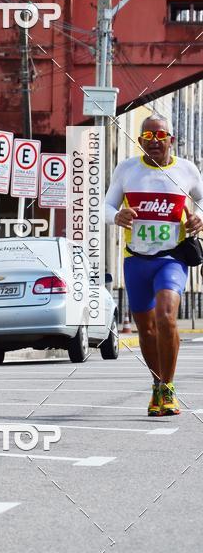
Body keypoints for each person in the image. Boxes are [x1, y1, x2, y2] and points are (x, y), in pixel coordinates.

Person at [105, 113, 203, 416]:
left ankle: (169, 387)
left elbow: (200, 201)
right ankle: (157, 383)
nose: (154, 141)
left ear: (171, 139)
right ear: (141, 141)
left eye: (160, 136)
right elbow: (106, 205)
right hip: (136, 260)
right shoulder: (127, 169)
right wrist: (116, 216)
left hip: (171, 258)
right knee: (146, 331)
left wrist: (199, 218)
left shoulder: (187, 170)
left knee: (166, 317)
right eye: (148, 136)